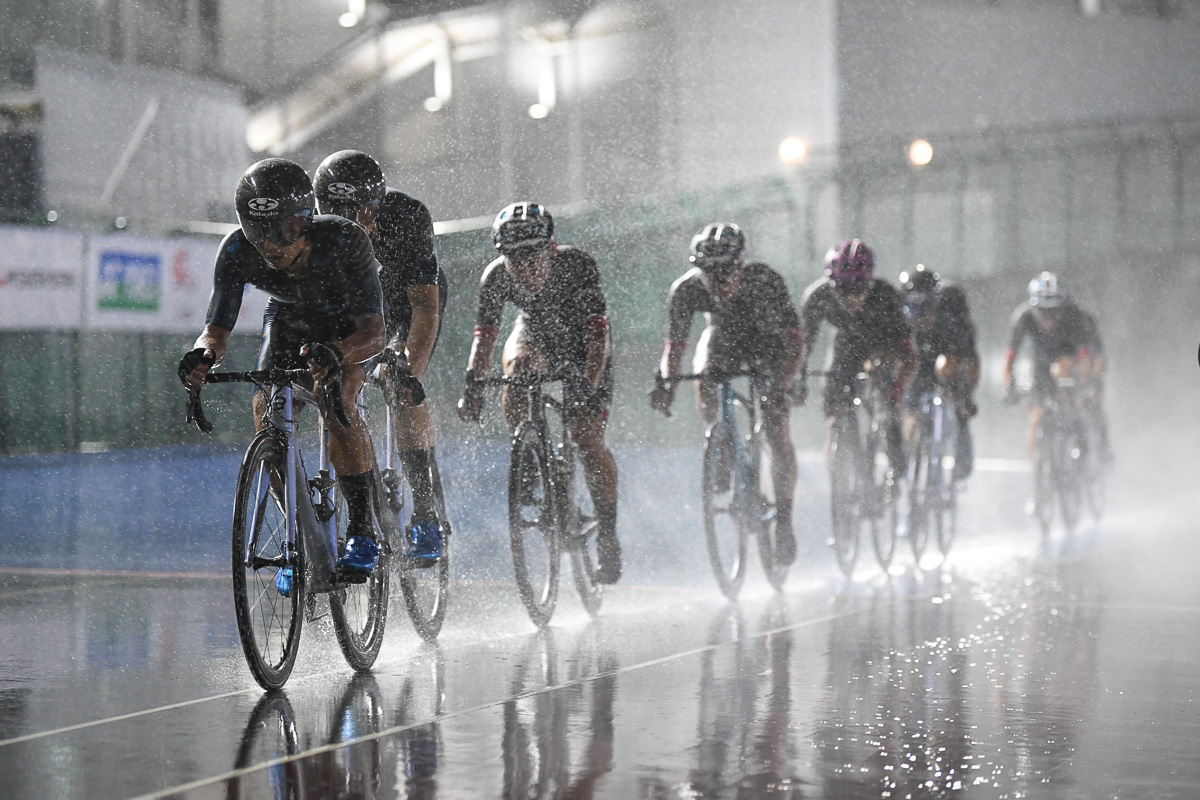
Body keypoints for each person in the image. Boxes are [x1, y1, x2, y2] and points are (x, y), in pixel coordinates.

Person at [178, 157, 386, 582]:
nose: (271, 246)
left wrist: (338, 352)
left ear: (307, 219)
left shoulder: (345, 238)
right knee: (265, 414)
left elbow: (376, 333)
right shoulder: (236, 249)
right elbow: (215, 332)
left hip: (347, 325)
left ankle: (363, 529)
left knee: (340, 395)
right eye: (258, 233)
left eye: (285, 232)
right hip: (289, 322)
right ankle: (301, 534)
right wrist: (201, 356)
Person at [455, 202, 622, 584]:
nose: (525, 267)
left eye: (532, 255)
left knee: (586, 437)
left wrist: (587, 386)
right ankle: (531, 452)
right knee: (515, 370)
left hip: (584, 345)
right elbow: (485, 342)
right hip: (536, 335)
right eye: (515, 258)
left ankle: (609, 535)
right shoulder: (495, 277)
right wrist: (473, 385)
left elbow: (599, 336)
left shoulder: (578, 265)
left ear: (550, 249)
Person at [313, 149, 449, 561]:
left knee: (400, 384)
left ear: (378, 206)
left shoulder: (406, 217)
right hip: (356, 303)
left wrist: (411, 372)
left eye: (360, 213)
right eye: (335, 211)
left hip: (405, 301)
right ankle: (359, 506)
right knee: (336, 386)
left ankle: (425, 513)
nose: (350, 224)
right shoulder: (309, 229)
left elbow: (426, 307)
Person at [647, 222, 802, 566]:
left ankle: (786, 522)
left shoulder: (765, 281)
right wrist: (667, 386)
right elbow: (674, 350)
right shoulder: (686, 290)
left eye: (724, 274)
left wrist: (781, 386)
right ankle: (720, 438)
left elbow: (794, 342)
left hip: (770, 344)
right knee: (704, 370)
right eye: (708, 275)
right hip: (724, 340)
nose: (717, 284)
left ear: (741, 266)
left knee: (776, 427)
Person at [794, 239, 915, 472]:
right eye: (842, 289)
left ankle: (892, 433)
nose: (850, 298)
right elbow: (802, 347)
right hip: (846, 345)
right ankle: (837, 476)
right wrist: (796, 378)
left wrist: (897, 388)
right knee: (834, 410)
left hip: (882, 344)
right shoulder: (817, 296)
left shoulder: (886, 296)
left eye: (858, 289)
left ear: (870, 282)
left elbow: (908, 354)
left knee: (886, 392)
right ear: (830, 283)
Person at [1002, 271, 1099, 458]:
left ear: (1064, 307)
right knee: (1035, 417)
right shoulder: (1023, 317)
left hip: (1068, 360)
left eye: (1054, 312)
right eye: (1042, 311)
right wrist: (1009, 388)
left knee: (1065, 378)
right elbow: (1009, 360)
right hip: (1040, 363)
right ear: (1032, 307)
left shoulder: (1076, 316)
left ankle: (1080, 436)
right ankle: (1037, 465)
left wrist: (1086, 387)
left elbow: (1085, 357)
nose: (1048, 319)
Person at [898, 264, 980, 481]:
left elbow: (970, 356)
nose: (921, 318)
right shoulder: (896, 307)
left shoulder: (954, 304)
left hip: (949, 350)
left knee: (958, 397)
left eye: (926, 309)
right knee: (912, 411)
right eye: (914, 310)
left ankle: (962, 449)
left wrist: (966, 396)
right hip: (918, 358)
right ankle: (908, 459)